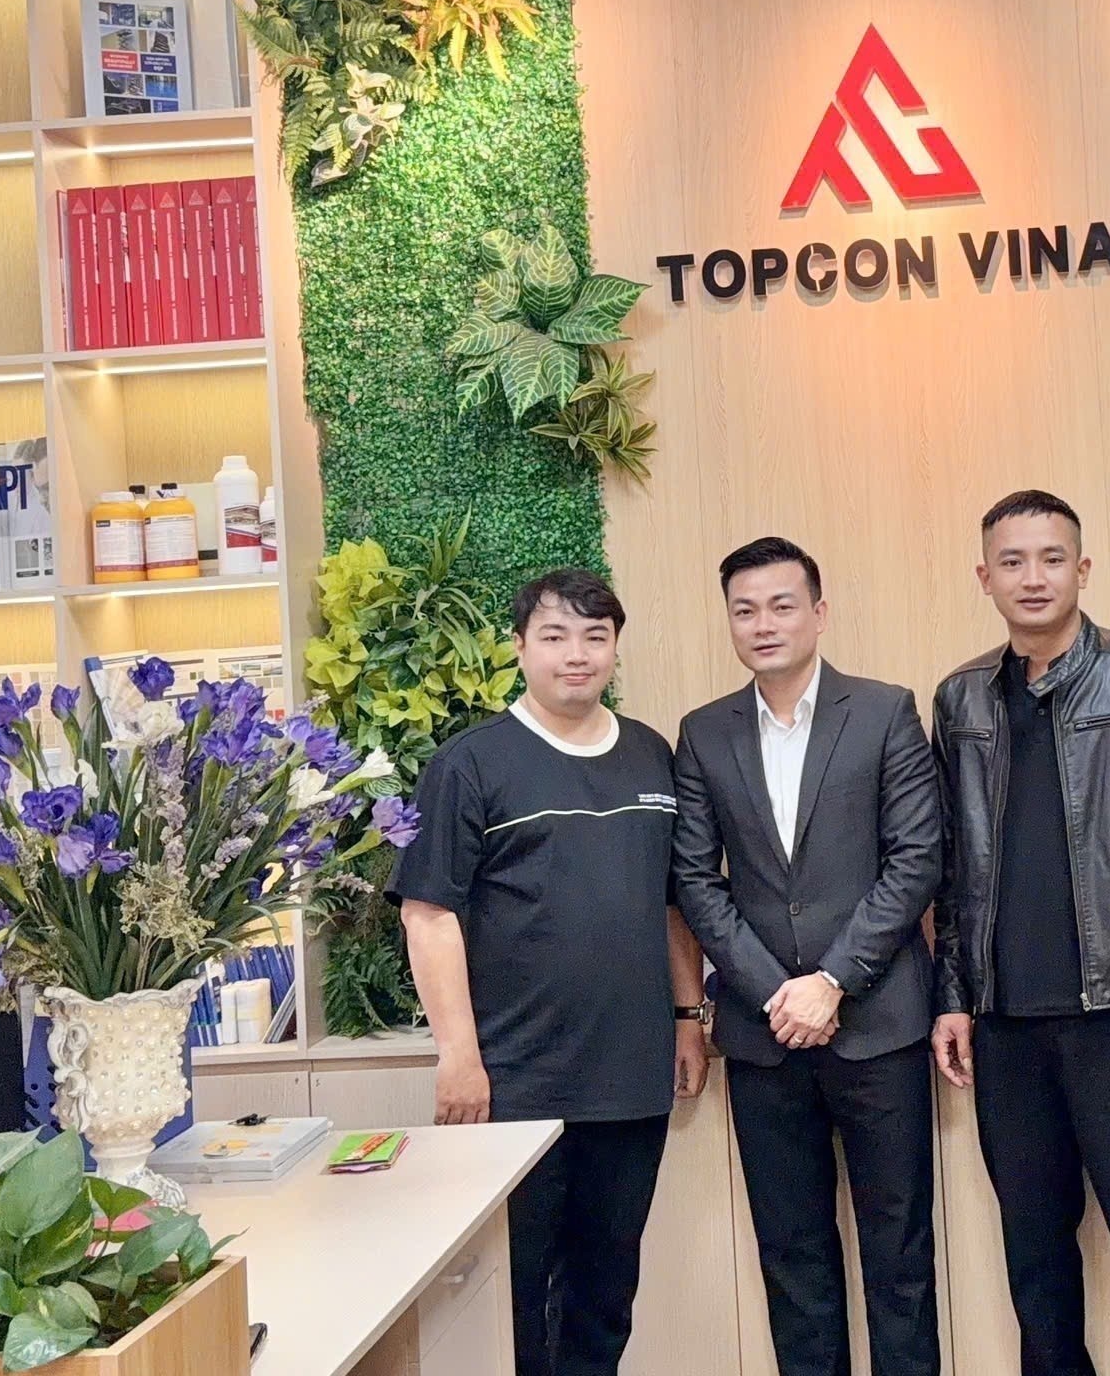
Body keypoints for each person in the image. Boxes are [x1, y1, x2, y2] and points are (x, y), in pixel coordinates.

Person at [929, 490, 1110, 1376]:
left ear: (1083, 569)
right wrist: (954, 998)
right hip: (1006, 1023)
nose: (1033, 577)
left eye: (1052, 558)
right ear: (984, 577)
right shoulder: (960, 698)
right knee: (1035, 1255)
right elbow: (952, 866)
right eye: (1012, 561)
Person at [393, 567, 712, 1376]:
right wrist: (458, 1057)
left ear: (615, 648)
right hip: (516, 1084)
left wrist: (688, 1019)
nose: (577, 654)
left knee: (606, 1296)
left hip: (631, 1078)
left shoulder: (651, 755)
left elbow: (673, 904)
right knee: (518, 1298)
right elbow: (428, 916)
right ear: (519, 648)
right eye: (555, 636)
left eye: (595, 636)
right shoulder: (470, 764)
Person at [672, 537, 944, 1376]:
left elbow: (917, 861)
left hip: (878, 1027)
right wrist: (774, 991)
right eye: (745, 610)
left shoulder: (885, 711)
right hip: (764, 1039)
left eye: (782, 605)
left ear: (819, 614)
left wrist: (831, 981)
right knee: (791, 1257)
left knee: (900, 1255)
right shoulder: (703, 733)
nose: (764, 624)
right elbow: (694, 879)